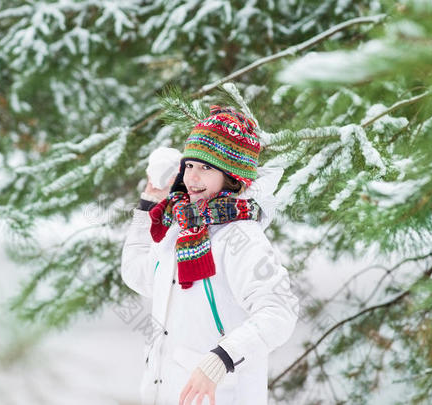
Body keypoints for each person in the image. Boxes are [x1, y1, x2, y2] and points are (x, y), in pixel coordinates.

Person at [121, 105, 299, 405]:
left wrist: (221, 359)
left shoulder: (241, 237)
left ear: (232, 177)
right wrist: (148, 204)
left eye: (207, 168)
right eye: (189, 165)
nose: (193, 178)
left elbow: (279, 310)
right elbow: (139, 276)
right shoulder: (181, 226)